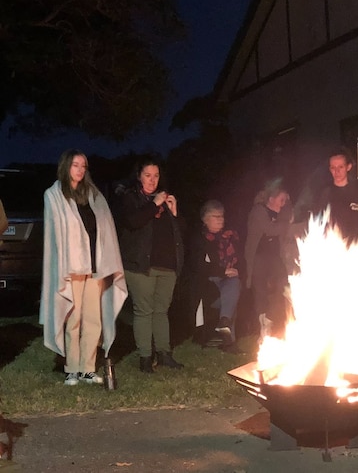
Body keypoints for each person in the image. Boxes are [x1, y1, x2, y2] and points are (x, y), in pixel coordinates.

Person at [40, 150, 127, 385]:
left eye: (83, 166)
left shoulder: (94, 195)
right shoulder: (54, 195)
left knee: (93, 318)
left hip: (94, 266)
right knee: (73, 318)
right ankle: (72, 368)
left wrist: (108, 260)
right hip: (72, 267)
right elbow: (56, 235)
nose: (79, 169)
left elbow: (105, 229)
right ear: (66, 166)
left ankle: (88, 368)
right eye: (75, 165)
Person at [117, 156, 185, 373]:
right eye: (147, 175)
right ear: (139, 176)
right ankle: (146, 357)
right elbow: (133, 222)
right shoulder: (131, 198)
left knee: (161, 310)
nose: (152, 180)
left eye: (156, 176)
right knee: (144, 311)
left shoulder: (164, 200)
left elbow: (180, 234)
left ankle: (164, 354)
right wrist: (153, 204)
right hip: (141, 265)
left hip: (167, 266)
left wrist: (174, 214)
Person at [245, 178, 294, 342]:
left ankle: (270, 321)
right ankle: (263, 331)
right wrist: (286, 223)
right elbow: (270, 229)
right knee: (260, 292)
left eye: (286, 200)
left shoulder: (282, 216)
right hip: (258, 257)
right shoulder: (258, 211)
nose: (284, 203)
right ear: (271, 198)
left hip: (274, 258)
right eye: (282, 199)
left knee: (282, 286)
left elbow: (287, 229)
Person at [187, 200, 241, 348]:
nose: (220, 219)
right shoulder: (200, 239)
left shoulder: (229, 237)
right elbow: (198, 265)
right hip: (206, 285)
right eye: (215, 216)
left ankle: (225, 324)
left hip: (226, 283)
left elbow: (239, 259)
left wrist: (236, 270)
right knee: (230, 291)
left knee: (234, 284)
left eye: (221, 216)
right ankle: (224, 334)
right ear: (205, 219)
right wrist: (223, 271)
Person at [314, 150, 358, 244]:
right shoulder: (324, 194)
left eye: (340, 167)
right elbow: (317, 221)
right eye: (333, 168)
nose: (337, 171)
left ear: (348, 167)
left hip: (356, 248)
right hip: (330, 246)